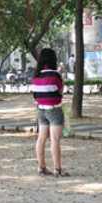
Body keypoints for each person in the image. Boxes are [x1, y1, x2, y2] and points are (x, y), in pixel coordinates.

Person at [31, 48, 70, 177]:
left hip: (41, 109)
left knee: (41, 138)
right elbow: (60, 91)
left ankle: (41, 167)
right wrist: (60, 75)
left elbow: (35, 94)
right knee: (54, 139)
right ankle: (57, 169)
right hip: (54, 109)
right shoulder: (55, 75)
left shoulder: (36, 76)